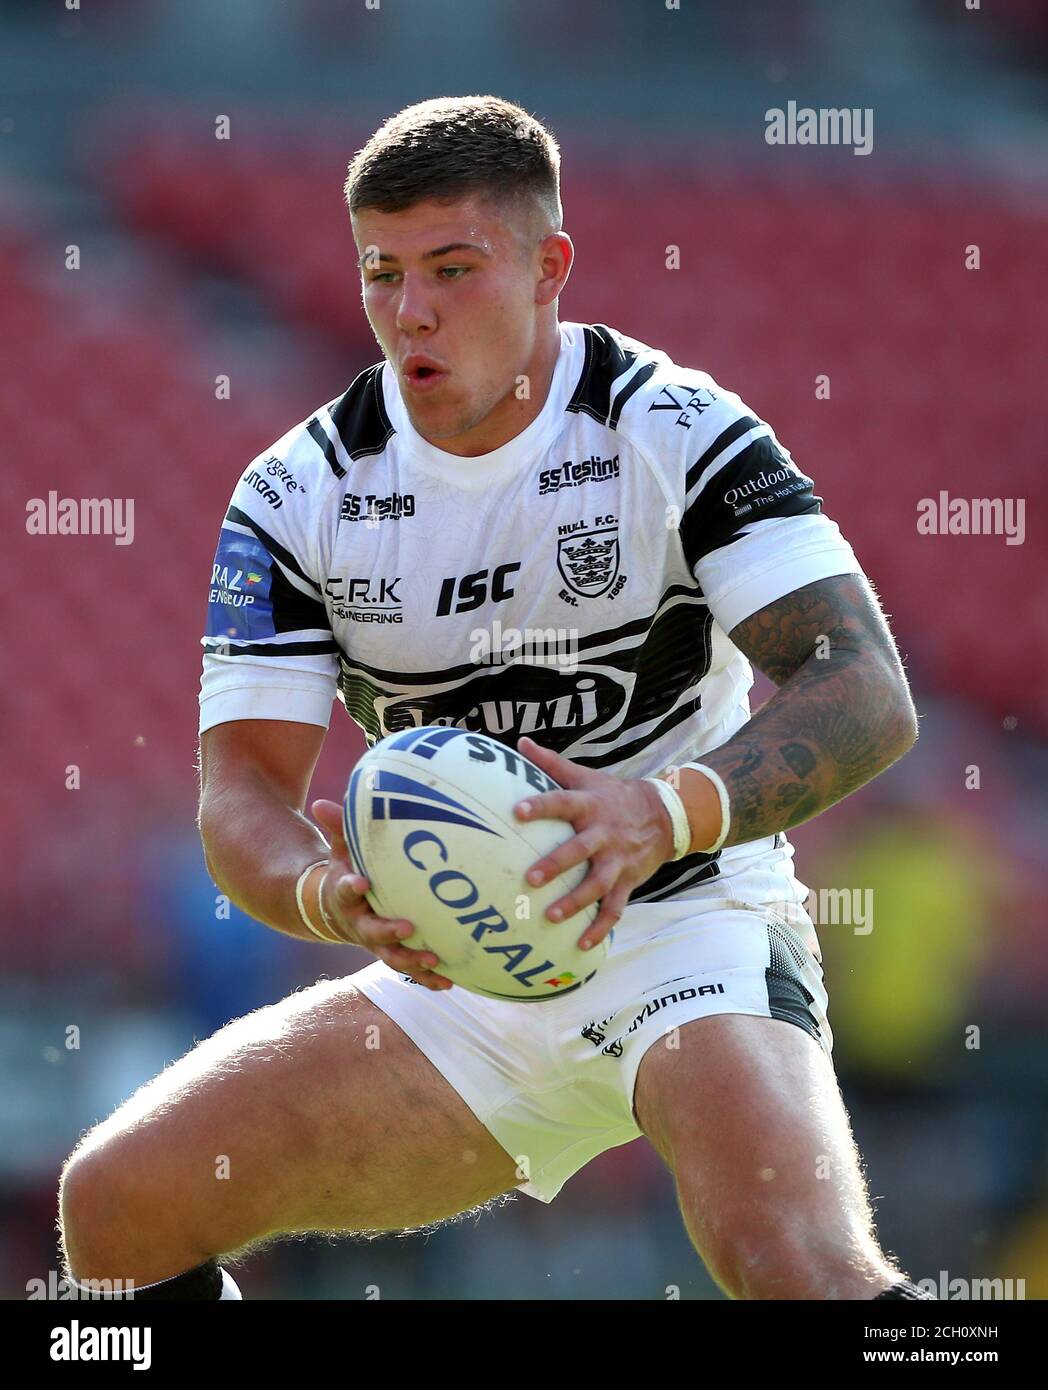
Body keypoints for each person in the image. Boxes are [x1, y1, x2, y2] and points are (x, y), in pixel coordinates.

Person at [58, 95, 929, 1301]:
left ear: (547, 265)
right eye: (381, 273)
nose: (410, 311)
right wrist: (328, 896)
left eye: (453, 269)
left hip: (688, 931)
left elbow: (865, 689)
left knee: (798, 1267)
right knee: (115, 1212)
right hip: (457, 967)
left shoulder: (674, 427)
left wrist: (657, 814)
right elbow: (242, 790)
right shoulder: (296, 493)